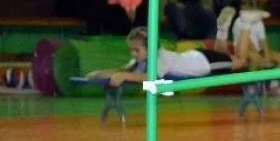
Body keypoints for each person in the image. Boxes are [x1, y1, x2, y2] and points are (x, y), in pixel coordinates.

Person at [94, 25, 249, 87]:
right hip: (195, 56)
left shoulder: (160, 57)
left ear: (150, 48)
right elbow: (122, 69)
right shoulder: (141, 59)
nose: (133, 54)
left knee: (241, 62)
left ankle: (246, 23)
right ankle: (222, 30)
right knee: (228, 56)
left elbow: (150, 77)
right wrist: (99, 73)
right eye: (132, 50)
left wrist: (124, 76)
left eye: (137, 50)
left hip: (204, 63)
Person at [228, 0, 280, 96]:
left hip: (258, 50)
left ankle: (273, 84)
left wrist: (267, 57)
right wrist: (260, 58)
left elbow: (263, 41)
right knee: (255, 58)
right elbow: (248, 44)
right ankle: (252, 85)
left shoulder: (258, 21)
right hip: (242, 51)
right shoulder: (239, 22)